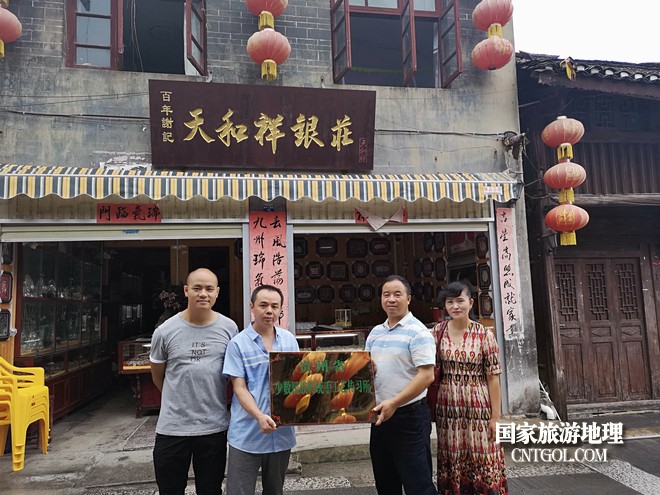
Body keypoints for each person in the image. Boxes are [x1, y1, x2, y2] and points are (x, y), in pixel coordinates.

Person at [149, 268, 239, 495]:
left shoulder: (229, 328)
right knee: (170, 490)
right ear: (186, 291)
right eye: (197, 288)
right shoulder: (165, 331)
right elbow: (158, 375)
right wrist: (177, 396)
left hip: (213, 427)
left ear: (217, 292)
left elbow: (234, 373)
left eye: (209, 289)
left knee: (210, 489)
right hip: (172, 428)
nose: (203, 294)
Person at [223, 284, 299, 495]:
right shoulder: (238, 344)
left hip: (281, 433)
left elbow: (297, 381)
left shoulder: (289, 340)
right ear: (252, 307)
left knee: (275, 490)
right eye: (263, 305)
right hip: (247, 433)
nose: (269, 311)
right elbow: (239, 387)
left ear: (281, 309)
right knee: (239, 491)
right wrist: (258, 416)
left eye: (275, 306)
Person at [433, 281, 508, 494]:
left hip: (479, 406)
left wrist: (495, 417)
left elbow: (493, 377)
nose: (455, 306)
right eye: (450, 302)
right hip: (448, 408)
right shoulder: (436, 333)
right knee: (452, 454)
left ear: (471, 303)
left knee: (485, 454)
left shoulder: (484, 335)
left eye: (460, 301)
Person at [365, 274, 437, 495]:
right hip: (379, 417)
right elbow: (366, 370)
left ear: (408, 298)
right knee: (386, 483)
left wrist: (395, 402)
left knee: (419, 485)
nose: (391, 299)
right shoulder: (375, 333)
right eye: (386, 294)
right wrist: (368, 370)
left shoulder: (418, 332)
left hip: (409, 417)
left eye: (397, 294)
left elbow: (427, 376)